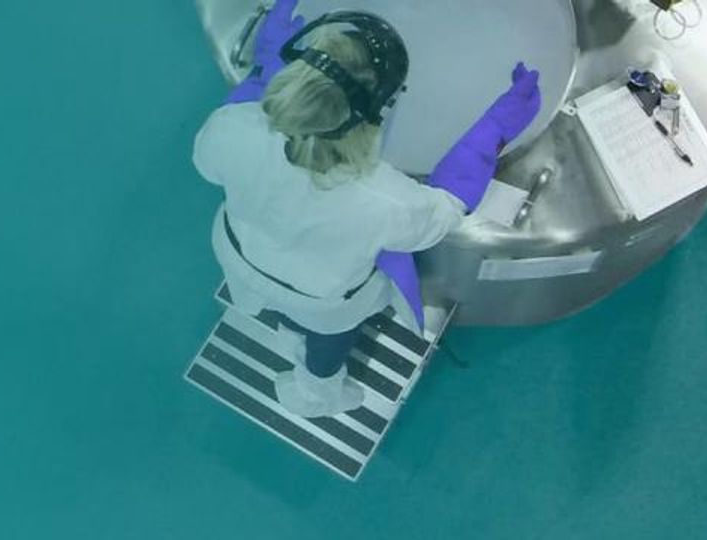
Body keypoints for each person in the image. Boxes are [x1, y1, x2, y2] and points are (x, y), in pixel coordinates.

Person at [193, 0, 541, 418]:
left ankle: (280, 327)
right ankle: (316, 395)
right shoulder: (384, 199)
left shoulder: (234, 128)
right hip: (321, 300)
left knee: (268, 300)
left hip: (239, 254)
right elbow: (445, 210)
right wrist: (493, 129)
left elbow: (209, 163)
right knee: (327, 344)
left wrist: (265, 74)